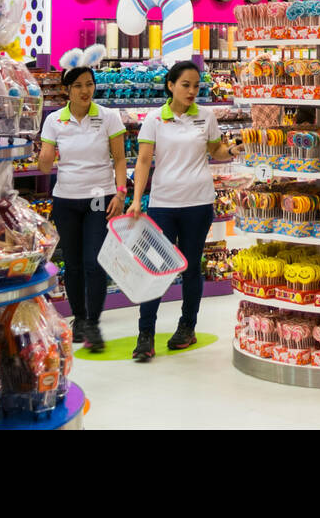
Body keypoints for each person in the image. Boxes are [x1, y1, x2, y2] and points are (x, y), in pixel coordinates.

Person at [128, 61, 237, 361]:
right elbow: (143, 161)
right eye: (185, 85)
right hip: (163, 204)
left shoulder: (206, 117)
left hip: (199, 203)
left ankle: (187, 327)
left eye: (196, 85)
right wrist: (137, 199)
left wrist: (232, 150)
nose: (191, 91)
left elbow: (215, 151)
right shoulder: (154, 119)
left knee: (191, 268)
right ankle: (145, 335)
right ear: (170, 85)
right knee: (155, 270)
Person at [37, 66, 128, 354]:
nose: (85, 90)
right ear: (67, 90)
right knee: (74, 264)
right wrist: (43, 154)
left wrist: (121, 192)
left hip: (99, 197)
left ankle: (92, 322)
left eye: (89, 84)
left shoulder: (108, 117)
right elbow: (44, 164)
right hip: (65, 199)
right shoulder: (53, 120)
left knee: (94, 261)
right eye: (77, 85)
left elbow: (120, 158)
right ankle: (79, 318)